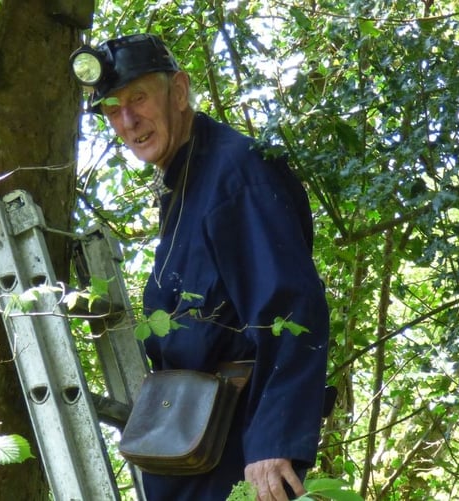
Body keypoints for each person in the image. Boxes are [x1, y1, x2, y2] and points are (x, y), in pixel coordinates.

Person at [70, 34, 330, 501]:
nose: (128, 121)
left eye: (139, 98)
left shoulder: (236, 172)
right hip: (187, 440)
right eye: (112, 108)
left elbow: (291, 309)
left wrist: (272, 442)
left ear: (180, 91)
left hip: (237, 445)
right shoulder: (185, 178)